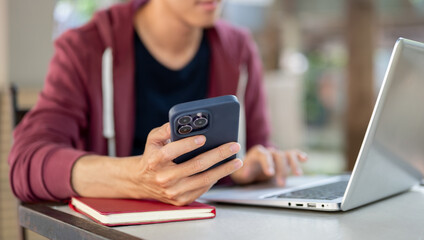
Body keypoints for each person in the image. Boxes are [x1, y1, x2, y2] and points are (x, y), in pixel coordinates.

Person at [8, 0, 307, 205]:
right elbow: (26, 164)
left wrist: (254, 166)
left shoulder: (239, 49)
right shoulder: (86, 48)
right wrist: (136, 178)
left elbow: (259, 145)